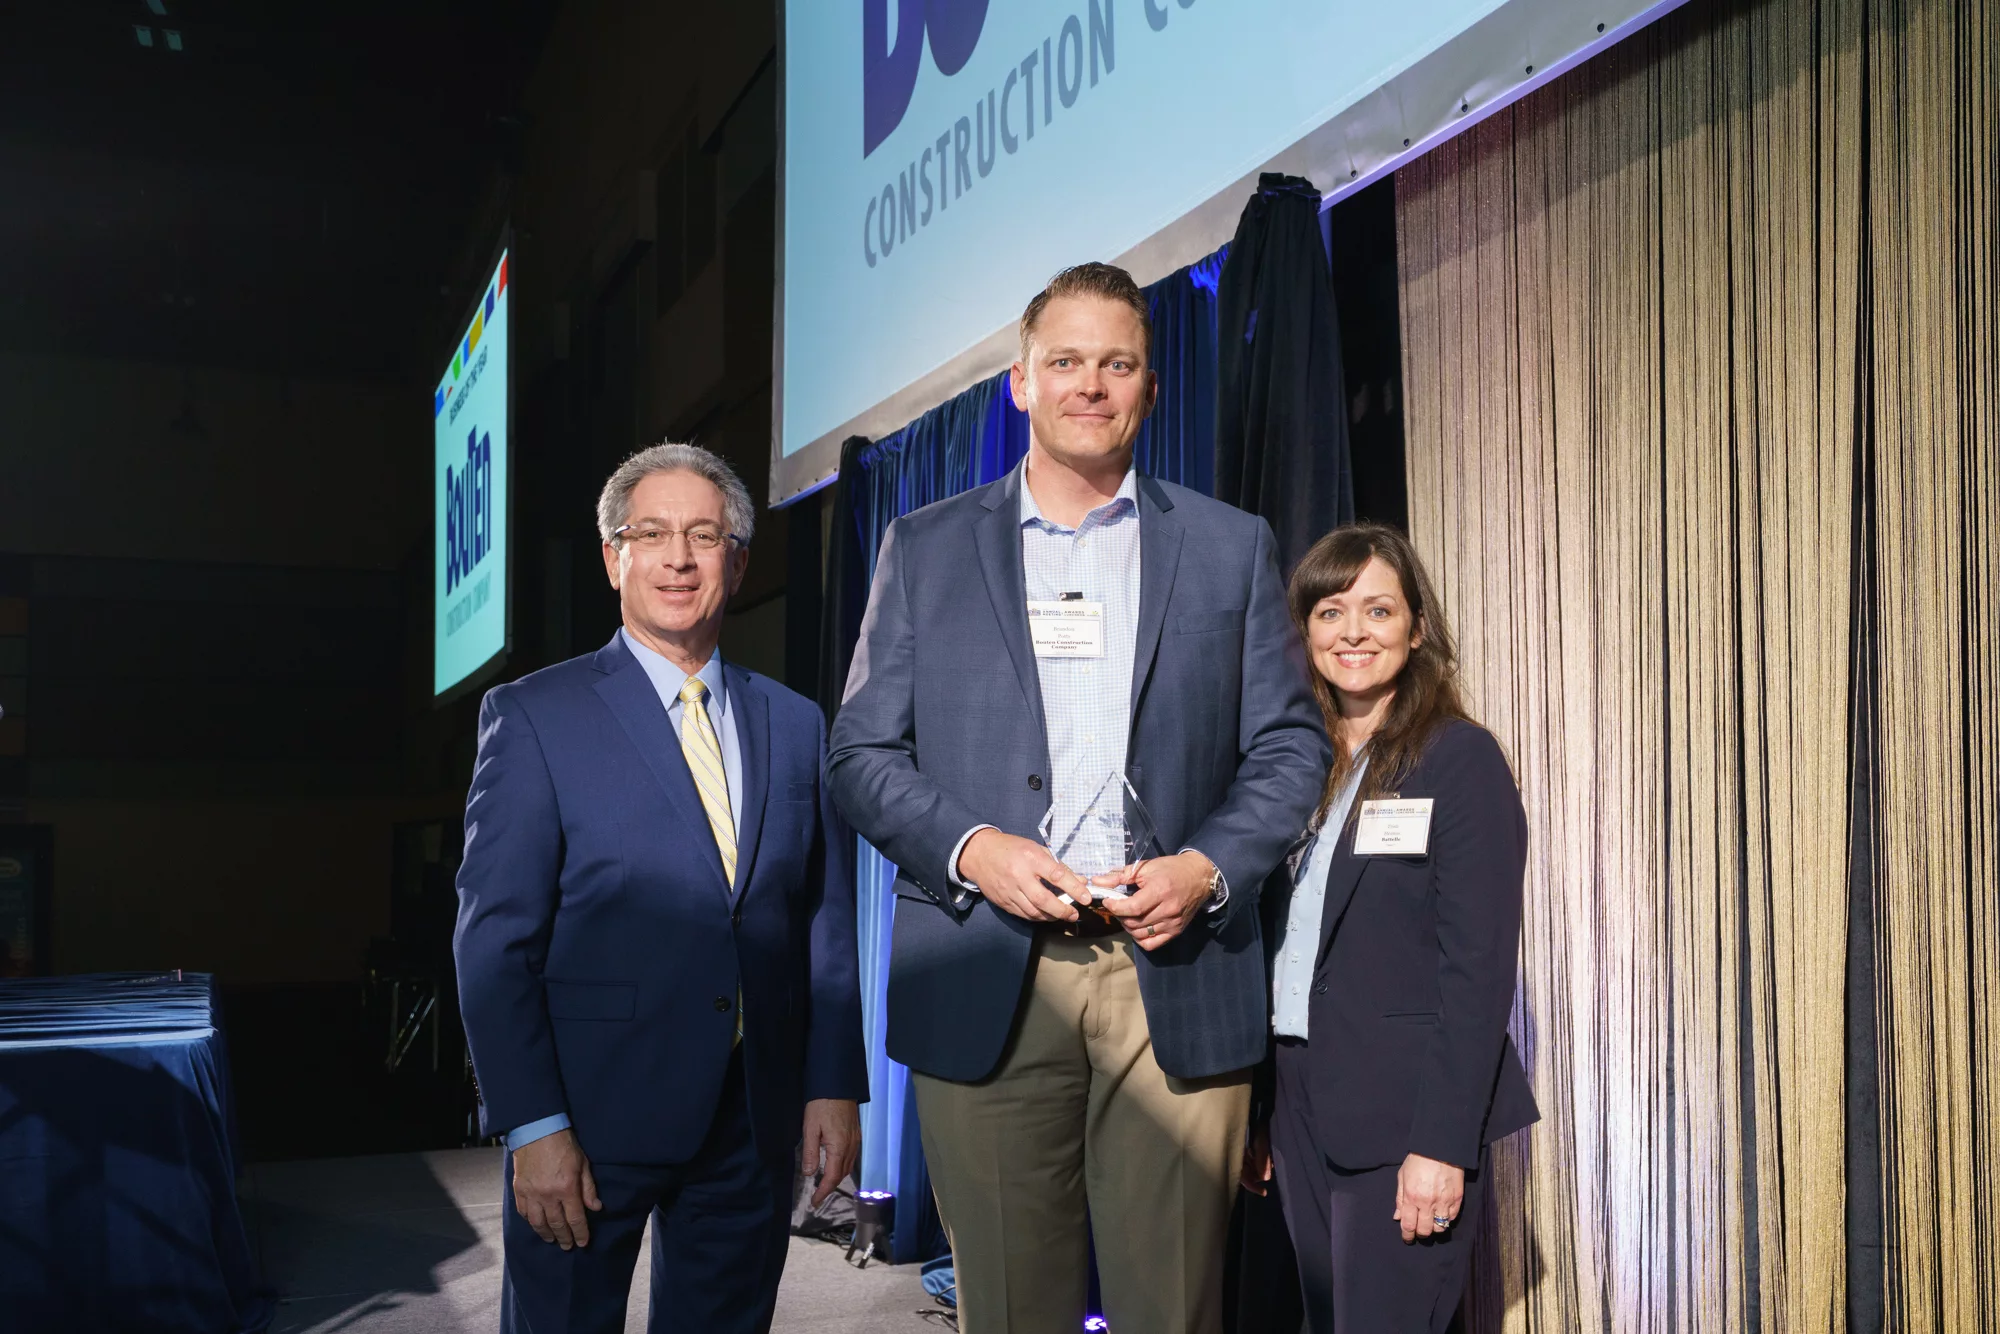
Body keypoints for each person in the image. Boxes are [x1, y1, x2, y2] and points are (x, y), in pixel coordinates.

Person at [828, 262, 1329, 1333]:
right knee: (1011, 1310)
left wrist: (1205, 866)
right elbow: (860, 754)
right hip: (985, 966)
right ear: (1019, 383)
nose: (1089, 384)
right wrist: (973, 846)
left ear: (1150, 386)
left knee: (1175, 1309)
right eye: (1064, 361)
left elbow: (1289, 746)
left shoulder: (1228, 546)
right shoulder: (922, 550)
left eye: (1117, 363)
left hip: (1176, 973)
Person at [453, 443, 866, 1334]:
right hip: (588, 1121)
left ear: (740, 562)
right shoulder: (533, 715)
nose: (679, 557)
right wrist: (531, 1127)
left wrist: (833, 1083)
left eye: (705, 535)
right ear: (614, 558)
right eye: (652, 533)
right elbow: (494, 942)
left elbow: (822, 923)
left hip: (749, 1123)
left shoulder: (795, 724)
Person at [1244, 523, 1538, 1333]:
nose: (1354, 633)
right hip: (1301, 1094)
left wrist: (1443, 1143)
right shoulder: (1294, 768)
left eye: (1379, 611)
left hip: (1406, 1113)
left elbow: (1477, 972)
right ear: (1303, 630)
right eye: (1331, 612)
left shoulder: (1459, 759)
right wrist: (1260, 1110)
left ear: (1416, 628)